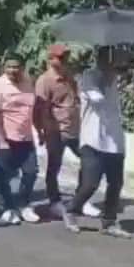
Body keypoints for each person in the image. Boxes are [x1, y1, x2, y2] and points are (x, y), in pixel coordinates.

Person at [62, 47, 129, 238]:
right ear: (101, 58)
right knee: (90, 184)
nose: (114, 62)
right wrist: (107, 80)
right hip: (92, 140)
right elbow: (97, 99)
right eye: (111, 58)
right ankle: (71, 209)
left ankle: (109, 222)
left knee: (116, 183)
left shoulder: (115, 78)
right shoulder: (89, 76)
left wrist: (113, 78)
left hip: (114, 140)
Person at [0, 54, 41, 225]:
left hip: (26, 138)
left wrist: (39, 130)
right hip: (6, 138)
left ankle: (24, 204)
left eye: (16, 66)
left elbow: (33, 109)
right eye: (9, 66)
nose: (13, 70)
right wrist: (1, 140)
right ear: (4, 67)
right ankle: (8, 208)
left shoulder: (28, 82)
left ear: (22, 67)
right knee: (3, 176)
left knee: (31, 172)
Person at [35, 43, 83, 219]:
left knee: (89, 161)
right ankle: (54, 201)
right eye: (61, 57)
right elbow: (40, 109)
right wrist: (42, 131)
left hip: (75, 129)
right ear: (51, 59)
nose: (65, 60)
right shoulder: (45, 81)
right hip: (55, 131)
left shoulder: (69, 76)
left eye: (66, 57)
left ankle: (80, 198)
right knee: (54, 167)